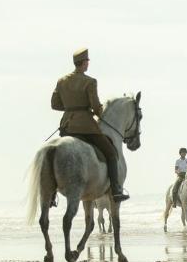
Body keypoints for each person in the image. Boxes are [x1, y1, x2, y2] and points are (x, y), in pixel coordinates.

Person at [51, 48, 129, 202]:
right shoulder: (90, 82)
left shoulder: (62, 81)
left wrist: (69, 108)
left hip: (67, 126)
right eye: (87, 61)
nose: (88, 64)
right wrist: (99, 113)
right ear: (84, 63)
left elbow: (54, 104)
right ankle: (116, 190)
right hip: (86, 127)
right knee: (111, 153)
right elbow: (95, 106)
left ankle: (52, 194)